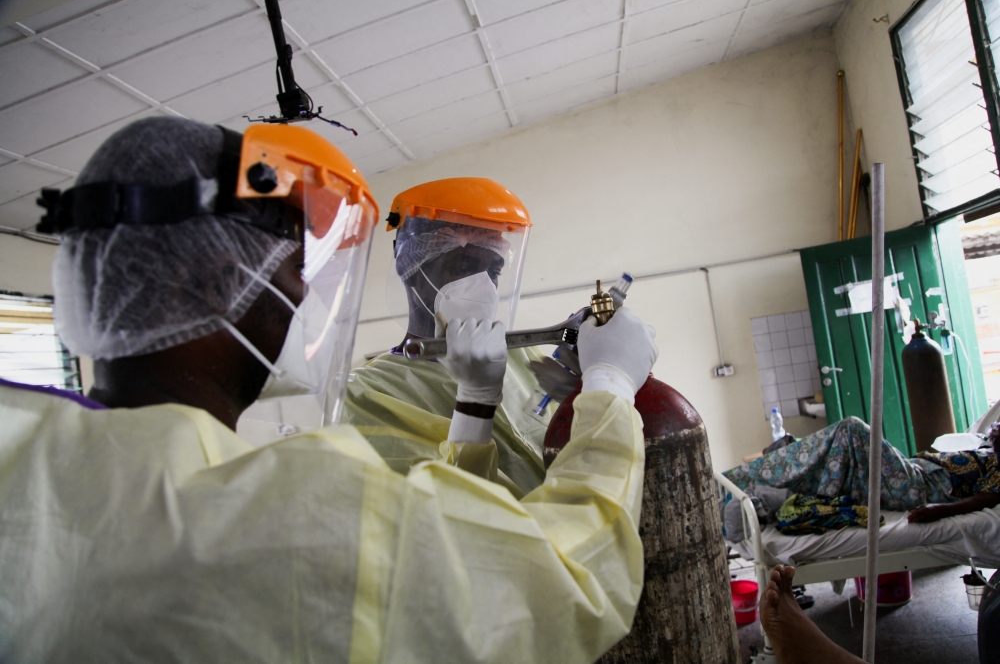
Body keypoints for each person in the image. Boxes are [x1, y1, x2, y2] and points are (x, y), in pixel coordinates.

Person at [0, 117, 660, 661]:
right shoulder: (303, 513)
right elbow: (552, 582)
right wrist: (608, 386)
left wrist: (561, 378)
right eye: (294, 273)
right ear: (208, 285)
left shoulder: (19, 453)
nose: (304, 302)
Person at [342, 178, 550, 497]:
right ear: (410, 265)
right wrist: (475, 403)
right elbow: (436, 509)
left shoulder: (523, 356)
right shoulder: (366, 394)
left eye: (493, 271)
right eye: (465, 265)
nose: (484, 287)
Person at [724, 416, 1000, 523]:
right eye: (996, 427)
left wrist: (939, 511)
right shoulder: (986, 447)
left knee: (852, 429)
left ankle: (740, 483)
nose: (995, 430)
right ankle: (748, 487)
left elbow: (987, 499)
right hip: (913, 471)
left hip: (920, 488)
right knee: (836, 462)